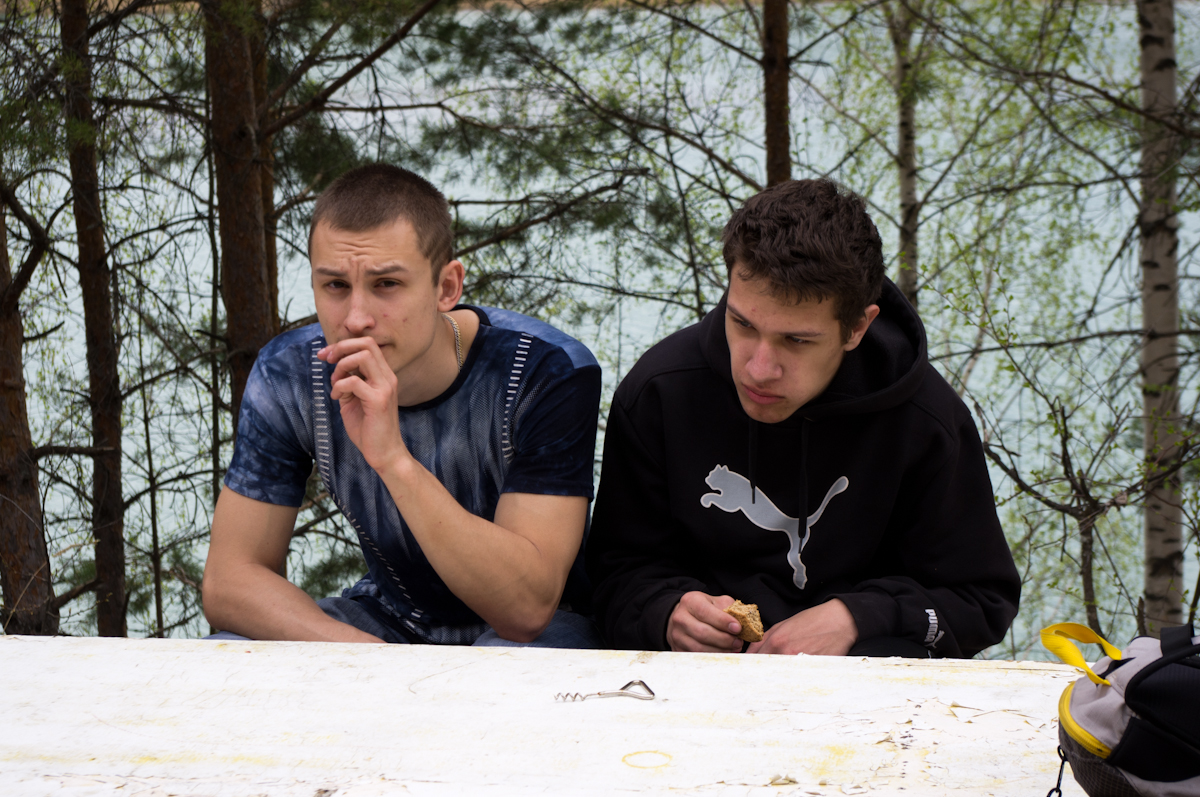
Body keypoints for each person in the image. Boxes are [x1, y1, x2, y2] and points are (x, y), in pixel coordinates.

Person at [586, 178, 1020, 657]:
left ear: (857, 328)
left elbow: (980, 602)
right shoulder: (660, 392)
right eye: (743, 324)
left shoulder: (926, 422)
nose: (758, 369)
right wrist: (665, 613)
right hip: (694, 680)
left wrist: (860, 617)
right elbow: (613, 575)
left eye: (796, 340)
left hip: (868, 685)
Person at [202, 164, 602, 647]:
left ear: (446, 287)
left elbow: (527, 608)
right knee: (224, 653)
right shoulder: (291, 375)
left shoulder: (544, 371)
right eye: (335, 286)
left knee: (499, 675)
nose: (356, 319)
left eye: (386, 284)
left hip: (542, 632)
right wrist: (359, 654)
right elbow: (229, 581)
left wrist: (394, 460)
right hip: (392, 620)